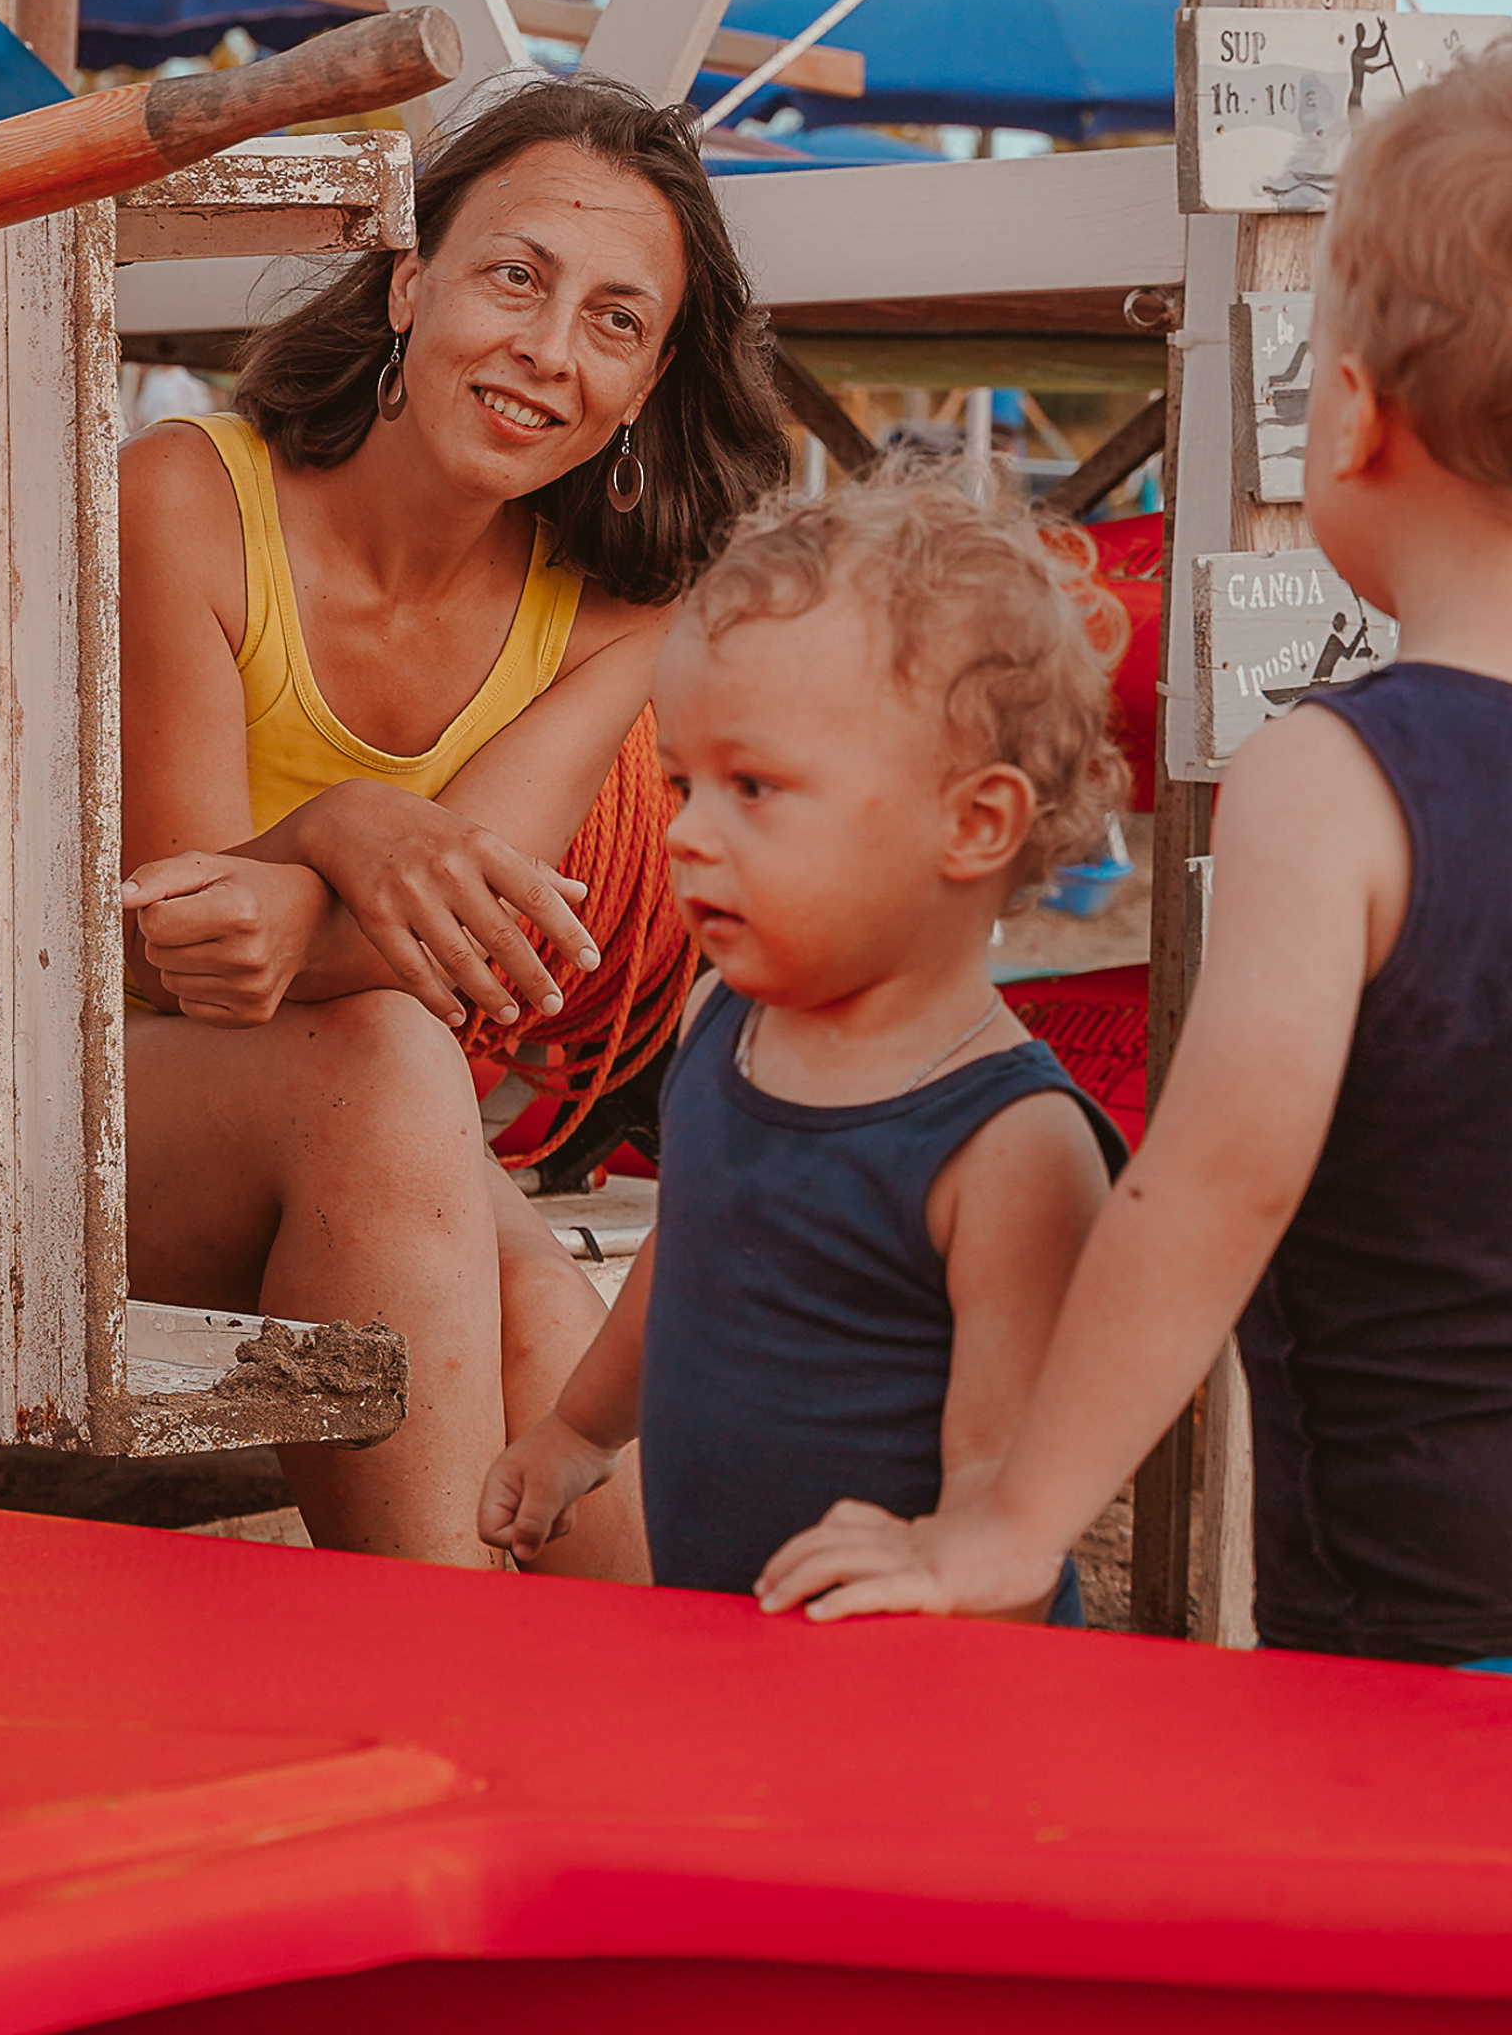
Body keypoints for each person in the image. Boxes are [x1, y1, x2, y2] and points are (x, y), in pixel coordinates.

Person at [758, 33, 1512, 1702]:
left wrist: (1017, 1519)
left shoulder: (1339, 772)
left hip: (1425, 1582)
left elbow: (1221, 1177)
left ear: (1360, 417)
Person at [117, 74, 787, 1572]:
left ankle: (628, 1755)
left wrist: (301, 874)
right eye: (516, 277)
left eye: (618, 322)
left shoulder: (616, 622)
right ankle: (429, 1671)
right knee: (396, 1077)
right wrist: (345, 829)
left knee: (531, 1304)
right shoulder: (189, 499)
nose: (551, 352)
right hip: (73, 1131)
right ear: (410, 280)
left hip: (371, 1131)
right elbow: (174, 960)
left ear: (654, 377)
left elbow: (454, 954)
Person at [479, 476, 1127, 1616]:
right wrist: (580, 1430)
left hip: (920, 1693)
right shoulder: (720, 1022)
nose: (681, 831)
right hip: (730, 1638)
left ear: (973, 823)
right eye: (683, 783)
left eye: (755, 787)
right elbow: (689, 1258)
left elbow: (1004, 1510)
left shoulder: (1010, 1146)